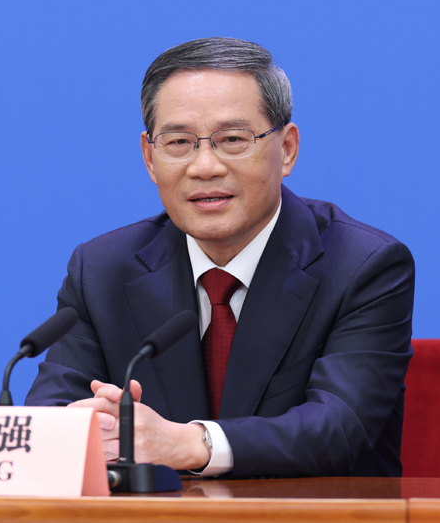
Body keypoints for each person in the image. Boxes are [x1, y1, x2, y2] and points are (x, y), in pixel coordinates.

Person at [26, 37, 414, 478]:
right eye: (179, 142)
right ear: (150, 158)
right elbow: (52, 413)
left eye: (232, 139)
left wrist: (190, 444)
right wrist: (82, 429)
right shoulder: (101, 270)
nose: (205, 166)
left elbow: (338, 428)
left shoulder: (363, 266)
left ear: (287, 149)